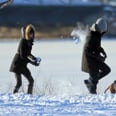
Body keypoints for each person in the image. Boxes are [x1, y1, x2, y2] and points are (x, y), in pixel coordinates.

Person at [81, 17, 111, 94]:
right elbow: (87, 50)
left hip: (95, 59)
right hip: (90, 61)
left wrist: (102, 51)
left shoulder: (97, 34)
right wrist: (99, 57)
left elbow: (95, 46)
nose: (103, 31)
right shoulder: (91, 36)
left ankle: (89, 81)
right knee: (93, 85)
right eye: (103, 29)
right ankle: (92, 98)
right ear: (99, 27)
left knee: (106, 70)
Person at [9, 24, 41, 94]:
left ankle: (29, 96)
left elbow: (28, 54)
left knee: (31, 80)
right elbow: (23, 55)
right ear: (27, 33)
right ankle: (14, 95)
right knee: (19, 83)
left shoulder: (29, 42)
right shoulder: (23, 41)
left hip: (23, 65)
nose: (31, 35)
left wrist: (35, 59)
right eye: (30, 33)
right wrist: (32, 62)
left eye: (32, 34)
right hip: (17, 65)